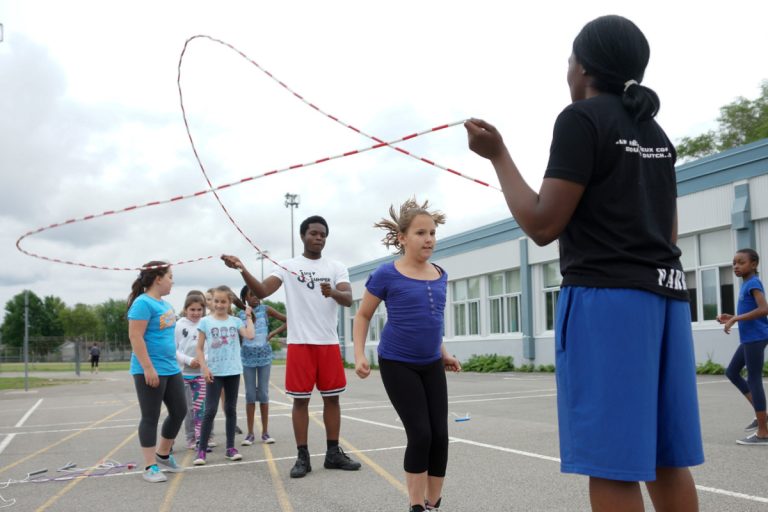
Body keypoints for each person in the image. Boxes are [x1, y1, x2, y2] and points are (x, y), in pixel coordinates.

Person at [465, 15, 704, 512]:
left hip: (608, 303)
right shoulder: (653, 130)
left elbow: (542, 225)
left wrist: (498, 154)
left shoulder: (581, 118)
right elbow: (669, 231)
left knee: (613, 463)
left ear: (584, 67)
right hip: (666, 298)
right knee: (664, 457)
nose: (567, 70)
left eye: (570, 60)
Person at [222, 215, 362, 478]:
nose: (319, 238)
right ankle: (302, 457)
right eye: (314, 233)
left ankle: (333, 453)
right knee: (301, 402)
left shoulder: (336, 267)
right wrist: (242, 267)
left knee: (332, 399)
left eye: (323, 234)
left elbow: (348, 298)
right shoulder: (287, 266)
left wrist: (332, 291)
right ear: (303, 236)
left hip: (328, 343)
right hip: (300, 345)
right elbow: (262, 291)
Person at [354, 199, 461, 512]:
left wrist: (443, 353)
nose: (428, 239)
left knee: (440, 435)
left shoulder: (440, 274)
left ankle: (433, 503)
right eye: (420, 233)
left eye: (432, 232)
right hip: (397, 362)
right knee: (421, 434)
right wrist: (360, 354)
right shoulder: (387, 274)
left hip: (430, 363)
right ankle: (415, 506)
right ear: (402, 237)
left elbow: (433, 320)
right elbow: (362, 316)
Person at [127, 261, 187, 483]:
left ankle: (163, 453)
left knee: (179, 410)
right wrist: (148, 368)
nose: (172, 281)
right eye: (170, 276)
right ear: (158, 278)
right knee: (150, 417)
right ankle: (150, 466)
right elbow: (135, 337)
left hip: (171, 368)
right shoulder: (142, 304)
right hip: (150, 369)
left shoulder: (166, 304)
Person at [193, 285, 254, 465]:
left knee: (230, 409)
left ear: (229, 303)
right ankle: (201, 450)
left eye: (224, 302)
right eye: (217, 301)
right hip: (214, 371)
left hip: (233, 370)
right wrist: (204, 367)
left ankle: (230, 448)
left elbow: (250, 335)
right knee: (210, 410)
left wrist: (248, 316)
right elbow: (199, 348)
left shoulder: (235, 321)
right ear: (213, 303)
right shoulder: (205, 322)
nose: (220, 305)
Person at [717, 248, 768, 445]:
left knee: (753, 378)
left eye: (741, 262)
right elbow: (752, 310)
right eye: (734, 263)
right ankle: (763, 415)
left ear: (753, 264)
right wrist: (731, 317)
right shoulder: (747, 284)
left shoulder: (753, 283)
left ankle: (763, 432)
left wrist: (736, 318)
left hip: (756, 336)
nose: (736, 266)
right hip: (750, 337)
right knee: (732, 372)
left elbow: (764, 309)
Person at [239, 285, 287, 446]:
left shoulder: (266, 309)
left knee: (264, 394)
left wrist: (272, 333)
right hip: (247, 358)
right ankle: (250, 433)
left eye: (257, 294)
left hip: (265, 357)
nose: (255, 297)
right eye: (251, 295)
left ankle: (265, 433)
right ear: (245, 298)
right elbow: (238, 337)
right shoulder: (240, 315)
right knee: (250, 394)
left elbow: (288, 320)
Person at [175, 292, 207, 450]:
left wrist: (201, 360)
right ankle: (190, 438)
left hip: (200, 374)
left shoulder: (206, 324)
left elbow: (210, 348)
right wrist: (188, 360)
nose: (195, 313)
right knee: (186, 409)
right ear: (185, 309)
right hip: (183, 374)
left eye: (199, 309)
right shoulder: (178, 325)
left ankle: (201, 438)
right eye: (192, 309)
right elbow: (174, 349)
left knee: (200, 408)